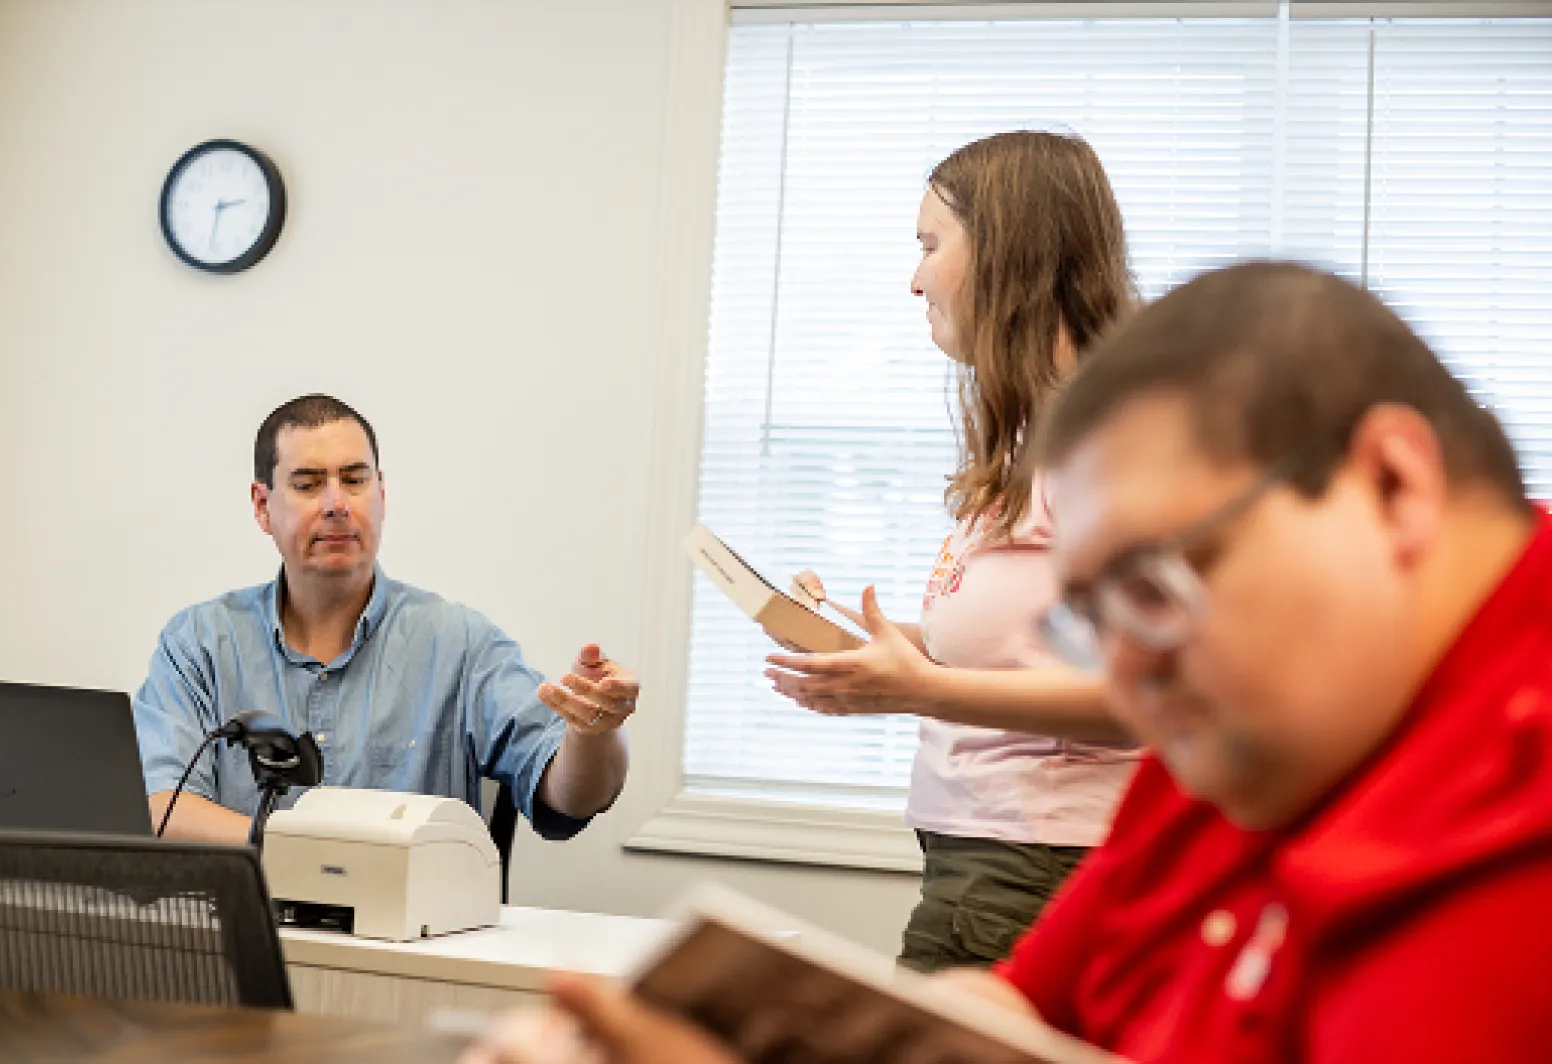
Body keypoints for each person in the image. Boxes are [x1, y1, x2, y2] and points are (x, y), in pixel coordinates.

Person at [467, 261, 1552, 1063]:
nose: (1124, 679)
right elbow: (1027, 1007)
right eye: (1088, 618)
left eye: (1152, 587)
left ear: (1393, 487)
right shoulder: (1240, 733)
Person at [764, 130, 1139, 972]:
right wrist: (867, 645)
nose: (914, 278)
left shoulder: (1104, 443)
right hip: (986, 862)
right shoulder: (1033, 440)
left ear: (1007, 254)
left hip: (1035, 867)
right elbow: (1026, 654)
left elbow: (1142, 694)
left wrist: (919, 688)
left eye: (932, 245)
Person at [135, 394, 637, 845]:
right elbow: (161, 805)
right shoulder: (200, 642)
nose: (336, 505)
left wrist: (593, 734)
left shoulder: (458, 642)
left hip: (407, 938)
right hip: (251, 935)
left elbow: (573, 799)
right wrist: (319, 857)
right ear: (263, 506)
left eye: (355, 480)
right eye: (308, 484)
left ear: (382, 494)